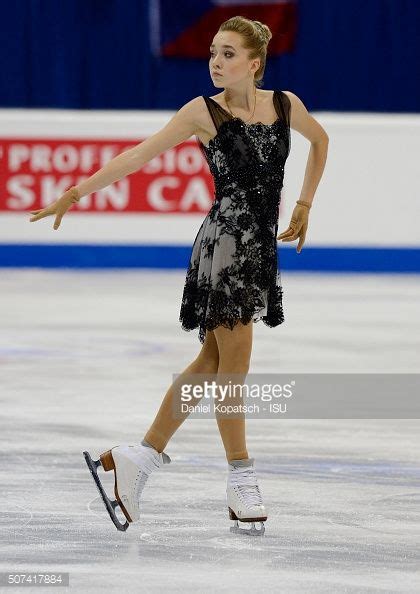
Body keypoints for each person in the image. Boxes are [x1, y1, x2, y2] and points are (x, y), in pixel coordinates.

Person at [29, 16, 329, 535]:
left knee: (212, 360)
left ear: (255, 63)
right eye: (214, 51)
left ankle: (138, 458)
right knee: (233, 363)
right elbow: (138, 155)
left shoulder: (285, 105)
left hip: (258, 247)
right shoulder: (201, 113)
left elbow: (321, 142)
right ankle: (241, 475)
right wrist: (77, 193)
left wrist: (304, 202)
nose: (216, 60)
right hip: (225, 245)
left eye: (229, 53)